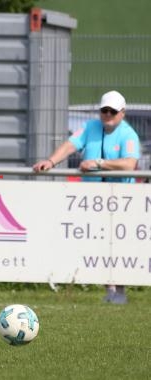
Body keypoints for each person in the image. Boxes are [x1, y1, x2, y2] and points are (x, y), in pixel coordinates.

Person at [33, 90, 140, 304]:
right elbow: (70, 145)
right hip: (91, 200)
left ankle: (119, 290)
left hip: (119, 200)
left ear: (122, 113)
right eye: (104, 110)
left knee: (117, 246)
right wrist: (51, 162)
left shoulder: (128, 135)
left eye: (112, 111)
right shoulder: (91, 127)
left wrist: (98, 164)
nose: (107, 114)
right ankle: (109, 289)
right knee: (97, 245)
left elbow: (130, 164)